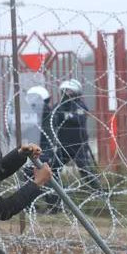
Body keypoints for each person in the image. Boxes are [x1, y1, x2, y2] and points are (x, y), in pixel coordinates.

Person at [44, 79, 101, 211]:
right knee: (52, 170)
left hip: (79, 146)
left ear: (76, 93)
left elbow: (77, 119)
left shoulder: (80, 106)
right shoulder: (59, 106)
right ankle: (56, 200)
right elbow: (52, 119)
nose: (66, 94)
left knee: (86, 171)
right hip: (63, 146)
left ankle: (100, 196)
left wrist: (64, 115)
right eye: (64, 91)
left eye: (69, 91)